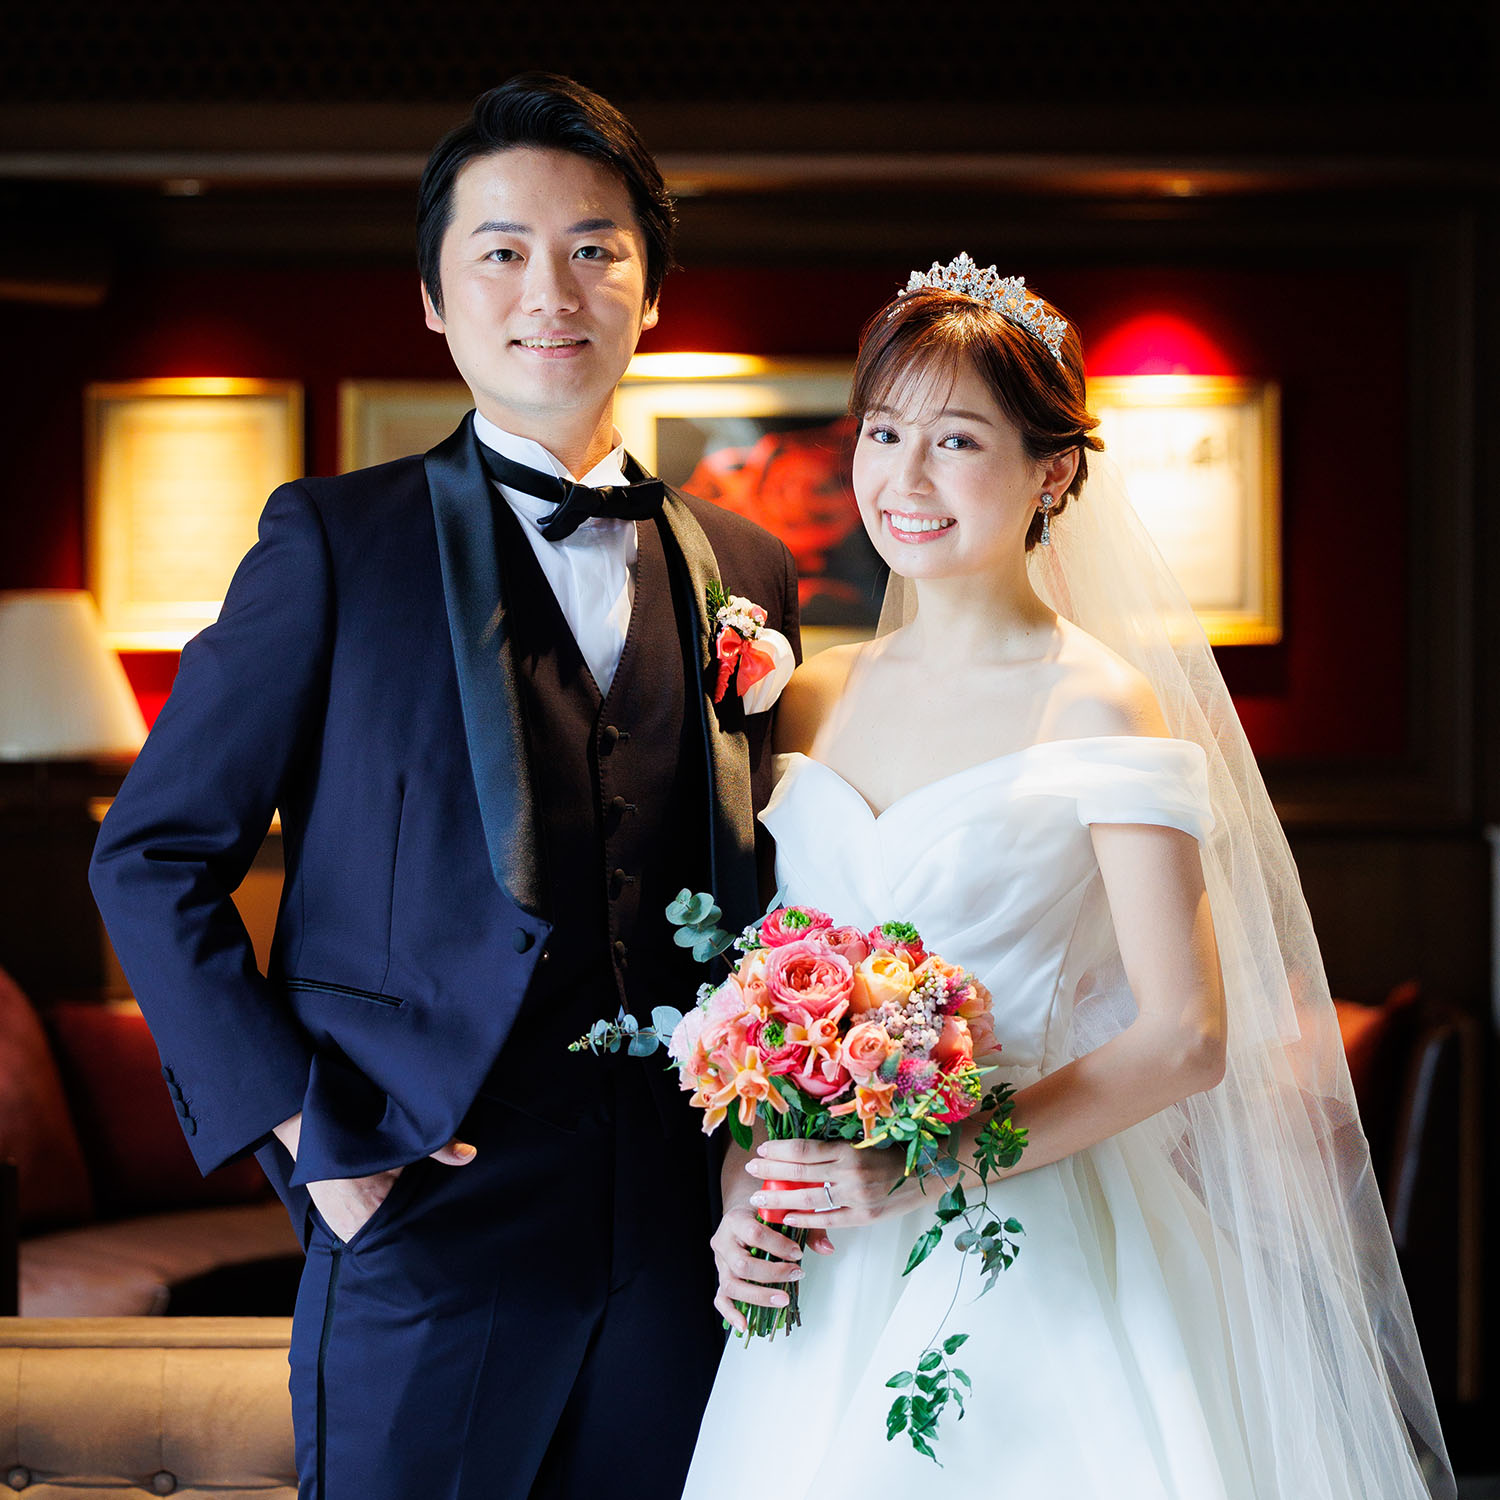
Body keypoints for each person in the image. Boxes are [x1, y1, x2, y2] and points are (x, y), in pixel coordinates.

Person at [89, 73, 799, 1500]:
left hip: (682, 1240)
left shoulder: (748, 568)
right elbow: (149, 856)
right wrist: (311, 1138)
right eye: (503, 251)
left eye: (594, 248)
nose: (552, 291)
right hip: (423, 1209)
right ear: (433, 296)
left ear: (651, 291)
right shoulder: (332, 543)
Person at [683, 257, 1453, 1499]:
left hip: (1022, 1219)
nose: (904, 478)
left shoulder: (1098, 699)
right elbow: (773, 1000)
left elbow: (1187, 1038)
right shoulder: (811, 694)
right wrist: (749, 1184)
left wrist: (924, 1169)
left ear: (1052, 473)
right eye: (883, 432)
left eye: (957, 440)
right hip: (826, 1244)